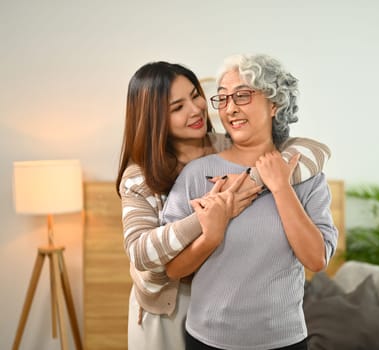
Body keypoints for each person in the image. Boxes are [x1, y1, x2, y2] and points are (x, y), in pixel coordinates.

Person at [116, 61, 331, 349]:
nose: (195, 110)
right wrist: (216, 212)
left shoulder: (226, 145)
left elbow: (315, 150)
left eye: (195, 96)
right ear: (155, 119)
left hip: (234, 311)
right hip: (166, 306)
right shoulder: (139, 176)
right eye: (177, 107)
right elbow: (141, 252)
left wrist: (254, 180)